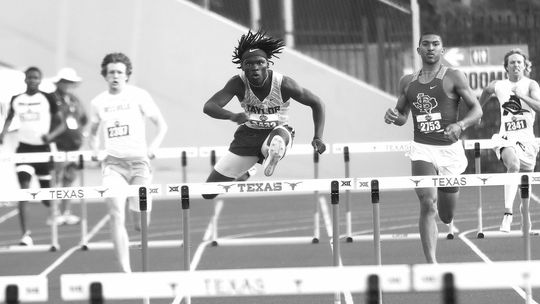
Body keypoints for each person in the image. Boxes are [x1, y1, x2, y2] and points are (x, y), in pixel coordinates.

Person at [384, 32, 482, 263]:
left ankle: (446, 215)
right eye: (425, 44)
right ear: (418, 50)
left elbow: (477, 111)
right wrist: (392, 115)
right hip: (422, 149)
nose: (430, 48)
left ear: (442, 50)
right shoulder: (407, 82)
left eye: (435, 44)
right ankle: (431, 263)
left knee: (447, 216)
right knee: (428, 203)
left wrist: (460, 124)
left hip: (450, 151)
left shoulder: (454, 76)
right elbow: (402, 117)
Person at [202, 29, 326, 199]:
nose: (255, 68)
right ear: (242, 66)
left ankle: (270, 153)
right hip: (248, 137)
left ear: (268, 64)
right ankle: (253, 165)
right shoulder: (237, 83)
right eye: (249, 64)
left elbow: (317, 103)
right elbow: (209, 106)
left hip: (278, 132)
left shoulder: (284, 84)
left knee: (277, 138)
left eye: (260, 62)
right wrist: (232, 116)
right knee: (208, 192)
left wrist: (318, 137)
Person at [88, 52, 167, 272]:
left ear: (127, 75)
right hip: (113, 165)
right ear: (105, 75)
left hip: (140, 163)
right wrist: (95, 151)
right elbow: (92, 133)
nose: (115, 76)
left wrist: (153, 148)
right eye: (111, 72)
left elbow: (162, 126)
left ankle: (141, 217)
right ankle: (125, 269)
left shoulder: (139, 96)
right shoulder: (98, 102)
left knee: (140, 225)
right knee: (115, 213)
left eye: (120, 72)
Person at [0, 66, 66, 245]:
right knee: (24, 191)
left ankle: (55, 213)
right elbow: (8, 119)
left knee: (46, 197)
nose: (32, 80)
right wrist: (3, 134)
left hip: (43, 151)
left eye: (36, 78)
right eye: (29, 77)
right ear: (25, 80)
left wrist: (50, 136)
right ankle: (25, 235)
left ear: (40, 80)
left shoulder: (48, 98)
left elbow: (62, 125)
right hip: (24, 150)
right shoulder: (17, 99)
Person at [478, 48, 540, 233]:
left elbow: (539, 106)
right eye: (512, 62)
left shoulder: (531, 85)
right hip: (506, 138)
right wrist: (478, 111)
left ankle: (525, 211)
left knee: (525, 180)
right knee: (513, 165)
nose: (516, 65)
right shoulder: (499, 85)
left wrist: (521, 96)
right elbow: (487, 91)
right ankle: (507, 214)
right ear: (506, 67)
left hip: (527, 140)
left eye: (519, 62)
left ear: (524, 65)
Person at [50, 67, 88, 225]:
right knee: (56, 178)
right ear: (59, 82)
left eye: (70, 82)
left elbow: (84, 118)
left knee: (70, 178)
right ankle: (55, 213)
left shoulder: (74, 99)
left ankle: (66, 212)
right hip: (57, 145)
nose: (67, 84)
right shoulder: (52, 99)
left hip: (74, 145)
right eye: (65, 81)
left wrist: (81, 135)